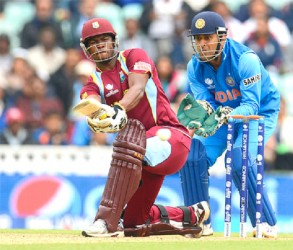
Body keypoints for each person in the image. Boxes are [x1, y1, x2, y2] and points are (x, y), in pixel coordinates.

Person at [77, 17, 209, 237]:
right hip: (140, 160)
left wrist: (118, 109)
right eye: (93, 41)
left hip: (171, 138)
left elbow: (137, 88)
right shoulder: (93, 81)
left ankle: (104, 221)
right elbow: (90, 103)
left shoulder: (133, 56)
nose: (100, 44)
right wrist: (95, 116)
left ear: (114, 41)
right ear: (86, 49)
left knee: (127, 143)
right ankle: (192, 216)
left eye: (104, 39)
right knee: (133, 223)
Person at [177, 11, 280, 238]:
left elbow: (251, 105)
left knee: (238, 159)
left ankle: (265, 223)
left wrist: (224, 114)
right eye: (198, 39)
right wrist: (197, 119)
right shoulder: (194, 67)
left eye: (208, 38)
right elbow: (206, 105)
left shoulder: (245, 59)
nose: (202, 44)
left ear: (222, 37)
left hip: (259, 114)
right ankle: (199, 222)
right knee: (192, 154)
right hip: (224, 117)